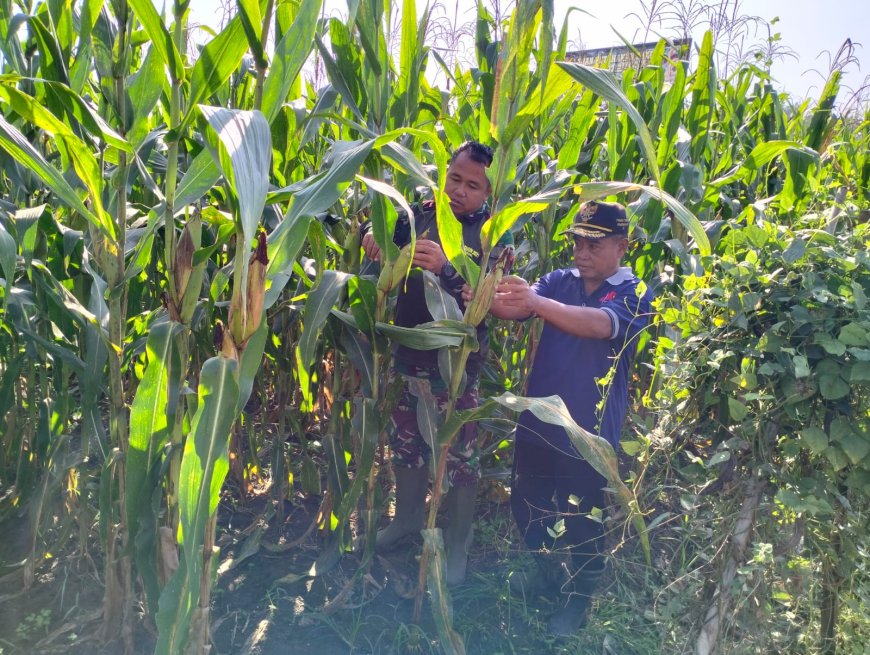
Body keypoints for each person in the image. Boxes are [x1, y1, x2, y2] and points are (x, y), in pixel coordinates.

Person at [489, 200, 653, 635]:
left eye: (593, 245)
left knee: (584, 519)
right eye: (578, 242)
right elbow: (516, 308)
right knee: (528, 504)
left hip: (588, 433)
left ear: (622, 246)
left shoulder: (634, 291)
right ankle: (546, 573)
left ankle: (579, 600)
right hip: (539, 419)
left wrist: (535, 302)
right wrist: (486, 291)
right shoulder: (559, 281)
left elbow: (600, 325)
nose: (582, 252)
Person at [360, 141, 512, 586]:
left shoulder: (494, 234)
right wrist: (373, 236)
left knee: (459, 456)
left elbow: (489, 296)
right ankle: (407, 518)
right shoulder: (419, 214)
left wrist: (446, 268)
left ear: (489, 193)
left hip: (456, 365)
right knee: (406, 443)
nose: (459, 191)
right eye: (454, 179)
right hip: (409, 353)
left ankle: (458, 541)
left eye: (472, 186)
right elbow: (383, 231)